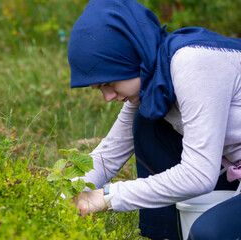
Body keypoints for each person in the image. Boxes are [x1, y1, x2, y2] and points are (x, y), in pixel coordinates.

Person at [67, 0, 241, 239]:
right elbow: (108, 155)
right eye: (99, 88)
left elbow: (198, 175)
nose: (107, 97)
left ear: (133, 58)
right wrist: (63, 194)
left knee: (209, 234)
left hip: (210, 174)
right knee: (147, 123)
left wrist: (107, 196)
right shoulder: (152, 81)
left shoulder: (193, 63)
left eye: (109, 84)